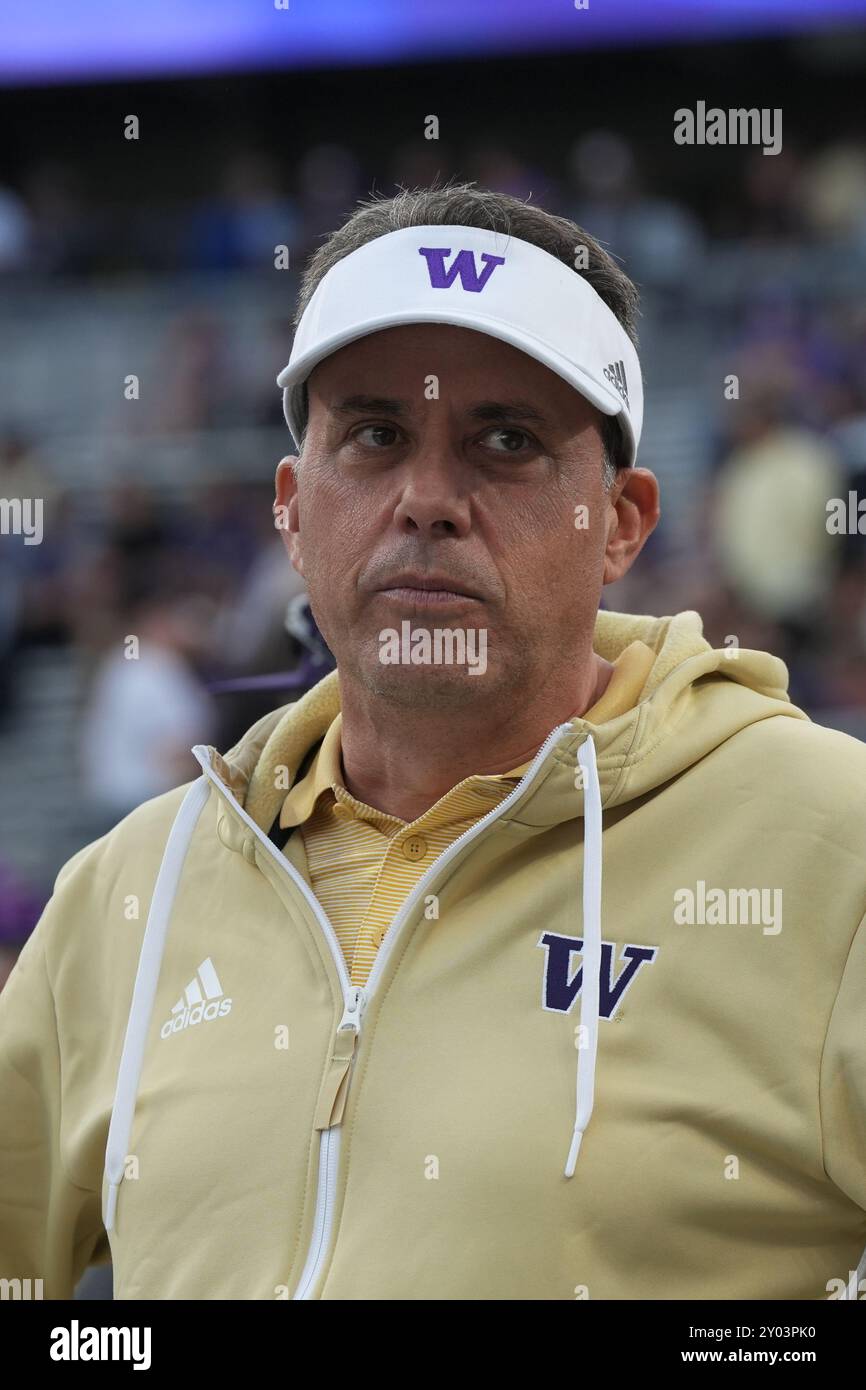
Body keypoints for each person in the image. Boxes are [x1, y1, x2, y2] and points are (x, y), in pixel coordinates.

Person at [1, 184, 864, 1302]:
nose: (426, 499)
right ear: (292, 508)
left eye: (505, 440)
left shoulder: (825, 845)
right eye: (373, 434)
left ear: (620, 522)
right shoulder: (129, 891)